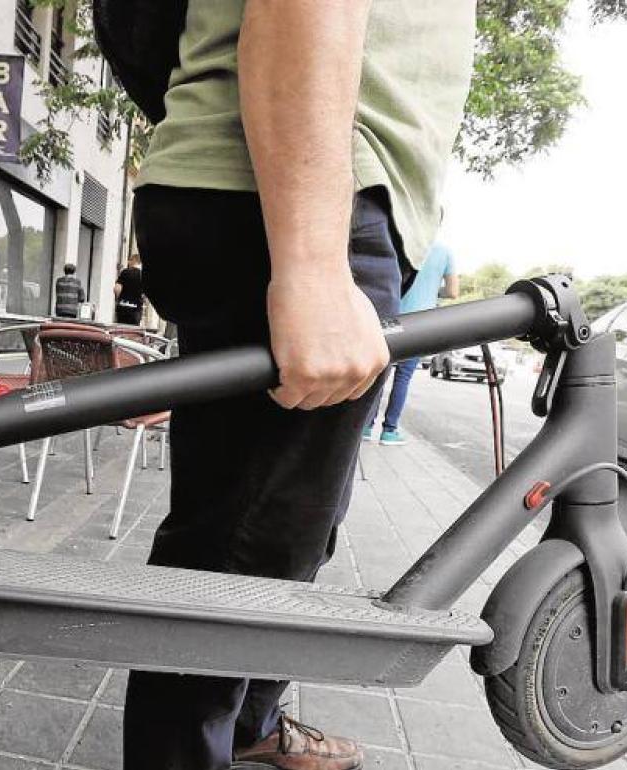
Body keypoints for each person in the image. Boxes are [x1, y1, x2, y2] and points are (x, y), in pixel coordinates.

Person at [121, 3, 475, 770]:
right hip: (291, 198)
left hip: (283, 189)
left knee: (288, 535)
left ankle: (251, 725)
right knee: (232, 563)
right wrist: (311, 263)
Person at [363, 241, 460, 446]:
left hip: (391, 317)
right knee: (403, 377)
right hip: (420, 322)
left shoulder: (405, 240)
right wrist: (434, 290)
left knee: (379, 372)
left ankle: (365, 426)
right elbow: (453, 291)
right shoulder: (444, 252)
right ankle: (389, 431)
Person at [114, 253, 145, 325]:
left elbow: (117, 289)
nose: (128, 262)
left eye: (130, 260)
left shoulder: (125, 272)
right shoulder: (143, 275)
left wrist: (118, 299)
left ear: (134, 260)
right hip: (135, 309)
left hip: (122, 307)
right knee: (133, 332)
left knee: (120, 330)